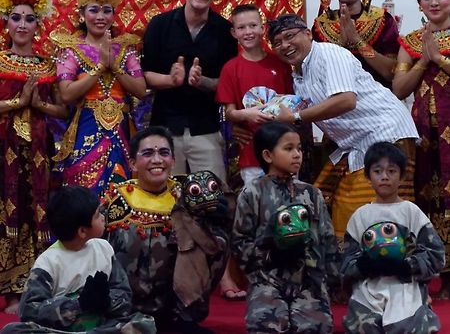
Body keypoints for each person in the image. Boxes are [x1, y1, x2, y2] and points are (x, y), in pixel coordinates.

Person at [268, 14, 419, 243]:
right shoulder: (298, 75)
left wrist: (296, 117)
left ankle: (385, 271)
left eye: (289, 36)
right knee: (324, 201)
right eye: (277, 43)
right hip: (354, 146)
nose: (285, 46)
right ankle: (349, 271)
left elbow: (346, 100)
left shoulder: (329, 54)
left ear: (308, 34)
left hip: (386, 134)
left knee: (375, 217)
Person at [104, 126, 232, 334]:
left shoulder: (190, 196)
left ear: (173, 160)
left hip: (176, 312)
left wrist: (217, 223)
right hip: (125, 312)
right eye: (147, 153)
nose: (157, 159)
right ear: (132, 162)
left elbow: (215, 251)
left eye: (164, 153)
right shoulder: (113, 202)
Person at [0, 0, 68, 314]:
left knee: (39, 211)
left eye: (29, 18)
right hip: (4, 148)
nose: (22, 24)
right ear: (5, 22)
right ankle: (11, 290)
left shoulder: (47, 65)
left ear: (37, 23)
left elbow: (62, 109)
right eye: (16, 18)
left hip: (40, 147)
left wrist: (38, 104)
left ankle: (38, 284)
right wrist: (17, 102)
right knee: (10, 211)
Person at [0, 186, 156, 333]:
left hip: (101, 327)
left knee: (144, 323)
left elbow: (125, 298)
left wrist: (105, 300)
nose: (103, 217)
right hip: (61, 331)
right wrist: (79, 303)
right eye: (97, 215)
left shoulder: (104, 248)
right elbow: (30, 311)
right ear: (82, 231)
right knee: (12, 330)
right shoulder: (48, 262)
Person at [232, 121, 338, 333]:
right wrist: (270, 254)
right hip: (267, 280)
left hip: (309, 280)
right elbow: (240, 242)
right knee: (266, 323)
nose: (297, 154)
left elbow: (327, 238)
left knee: (315, 326)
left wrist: (333, 280)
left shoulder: (312, 193)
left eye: (299, 148)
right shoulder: (253, 193)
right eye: (288, 149)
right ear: (268, 155)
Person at [51, 0, 146, 195]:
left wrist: (114, 67)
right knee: (84, 190)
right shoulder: (71, 49)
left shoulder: (125, 48)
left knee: (120, 187)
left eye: (107, 10)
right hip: (86, 126)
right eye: (94, 10)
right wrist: (99, 68)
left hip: (120, 128)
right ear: (82, 15)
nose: (101, 17)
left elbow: (141, 90)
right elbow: (66, 94)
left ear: (114, 15)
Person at [393, 0, 450, 298]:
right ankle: (437, 274)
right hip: (423, 131)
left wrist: (438, 60)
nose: (433, 2)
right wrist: (421, 60)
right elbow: (399, 88)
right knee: (426, 194)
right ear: (418, 3)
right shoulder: (411, 40)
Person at [141, 0, 238, 182]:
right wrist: (170, 80)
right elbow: (145, 75)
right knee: (164, 198)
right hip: (165, 127)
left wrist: (202, 81)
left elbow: (227, 82)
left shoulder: (224, 31)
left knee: (212, 198)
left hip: (205, 128)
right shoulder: (160, 25)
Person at [341, 142, 444, 333]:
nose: (385, 177)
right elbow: (346, 263)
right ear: (368, 176)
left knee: (410, 326)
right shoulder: (360, 216)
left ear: (402, 176)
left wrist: (407, 265)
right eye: (378, 171)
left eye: (392, 171)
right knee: (362, 326)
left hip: (405, 285)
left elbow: (436, 255)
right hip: (369, 287)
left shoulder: (411, 212)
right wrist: (364, 266)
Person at [216, 4, 294, 187]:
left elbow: (292, 103)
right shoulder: (230, 69)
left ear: (262, 28)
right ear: (234, 32)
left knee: (288, 204)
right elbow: (230, 112)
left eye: (252, 25)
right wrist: (246, 114)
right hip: (251, 154)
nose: (248, 32)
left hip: (284, 149)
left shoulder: (280, 63)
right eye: (241, 28)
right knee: (255, 205)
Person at [313, 0, 399, 88]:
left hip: (378, 100)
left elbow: (392, 73)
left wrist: (357, 41)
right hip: (337, 102)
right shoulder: (322, 25)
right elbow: (318, 76)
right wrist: (341, 44)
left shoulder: (382, 20)